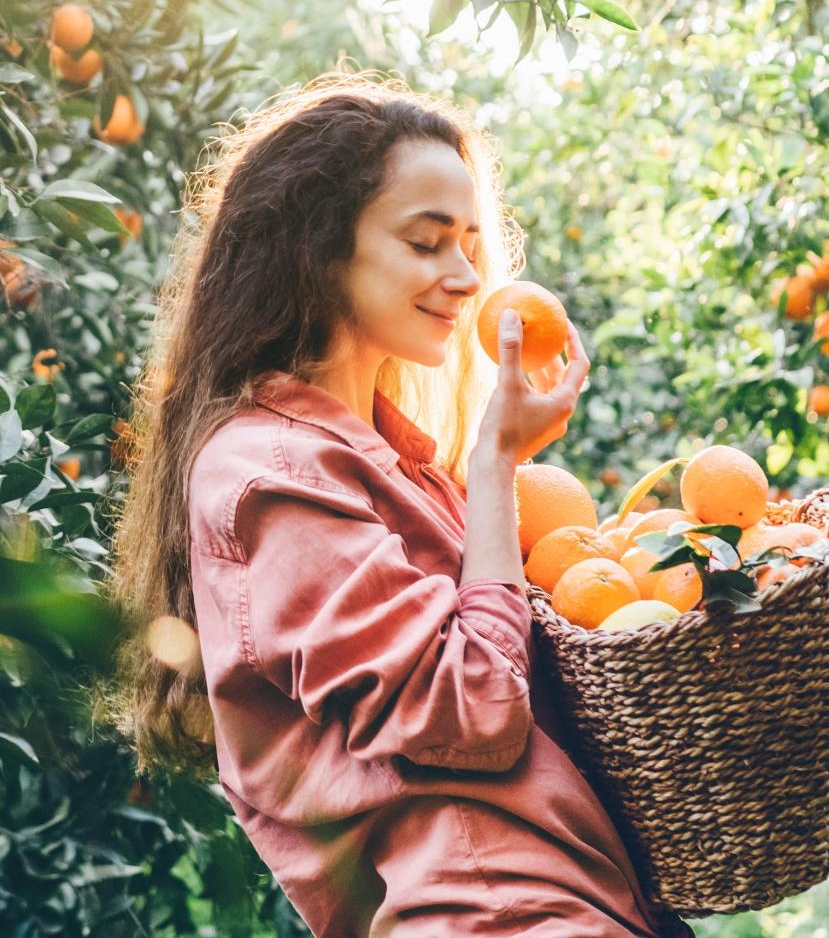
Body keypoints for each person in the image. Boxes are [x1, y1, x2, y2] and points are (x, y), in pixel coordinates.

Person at [104, 71, 697, 938]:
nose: (465, 277)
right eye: (426, 242)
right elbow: (475, 706)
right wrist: (495, 465)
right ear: (318, 249)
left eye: (468, 244)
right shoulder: (271, 470)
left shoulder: (376, 459)